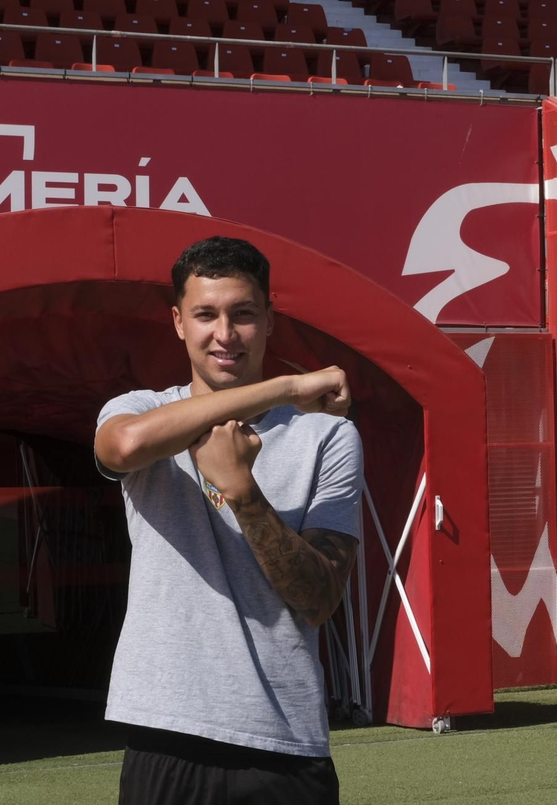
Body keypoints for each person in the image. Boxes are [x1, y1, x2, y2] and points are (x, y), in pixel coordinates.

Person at [94, 236, 362, 805]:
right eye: (205, 315)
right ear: (177, 322)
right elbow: (123, 448)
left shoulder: (328, 435)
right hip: (166, 733)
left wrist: (242, 492)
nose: (224, 333)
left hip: (284, 745)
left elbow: (319, 600)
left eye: (243, 314)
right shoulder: (140, 409)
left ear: (269, 319)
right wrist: (288, 386)